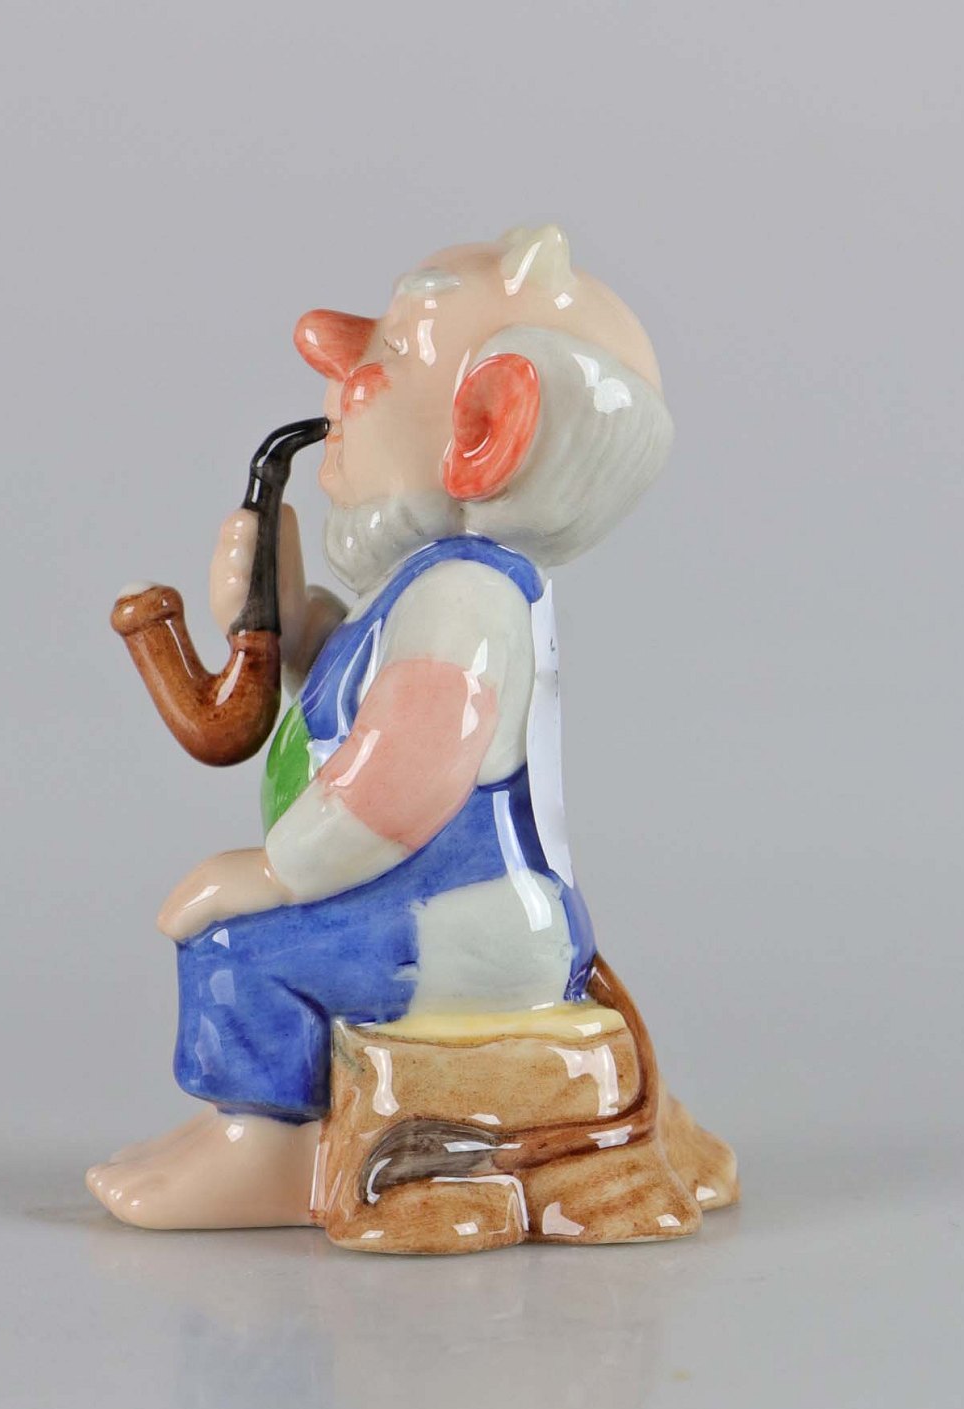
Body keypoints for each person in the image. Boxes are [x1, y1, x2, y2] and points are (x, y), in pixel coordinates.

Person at [87, 225, 675, 1228]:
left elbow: (404, 783)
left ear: (486, 428)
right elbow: (356, 690)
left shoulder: (464, 596)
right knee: (247, 936)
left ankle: (263, 1150)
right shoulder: (431, 589)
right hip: (429, 898)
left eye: (391, 354)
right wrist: (286, 612)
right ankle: (250, 1132)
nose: (338, 377)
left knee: (239, 945)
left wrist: (275, 873)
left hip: (464, 917)